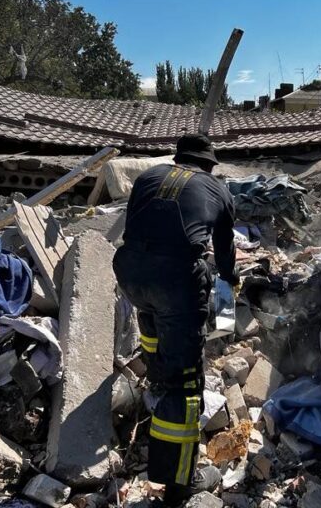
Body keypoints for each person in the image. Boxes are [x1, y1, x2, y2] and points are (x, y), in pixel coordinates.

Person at [113, 133, 238, 507]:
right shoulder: (217, 189)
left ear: (178, 158)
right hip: (173, 282)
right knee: (187, 385)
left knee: (152, 321)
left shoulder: (148, 176)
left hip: (130, 273)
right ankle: (178, 481)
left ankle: (155, 376)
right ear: (209, 165)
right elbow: (225, 252)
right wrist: (228, 288)